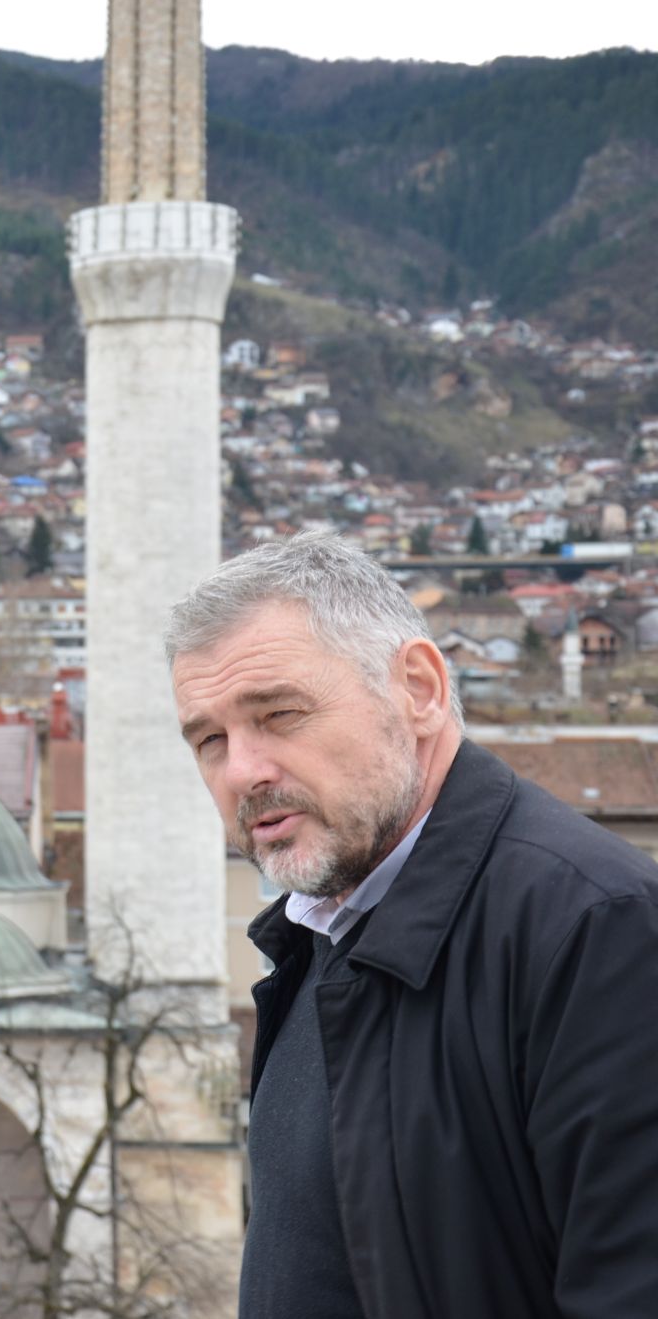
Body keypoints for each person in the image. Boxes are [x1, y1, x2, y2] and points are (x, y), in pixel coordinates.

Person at [165, 530, 658, 1319]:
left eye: (280, 713)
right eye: (211, 738)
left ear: (420, 689)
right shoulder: (315, 940)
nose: (242, 771)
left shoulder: (597, 930)